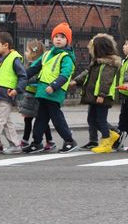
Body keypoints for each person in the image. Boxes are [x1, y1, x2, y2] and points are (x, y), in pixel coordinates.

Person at [23, 22, 79, 154]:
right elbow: (34, 68)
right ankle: (37, 142)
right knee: (41, 118)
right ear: (52, 38)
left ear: (68, 41)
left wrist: (54, 86)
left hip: (55, 92)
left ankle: (70, 141)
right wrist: (21, 77)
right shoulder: (47, 54)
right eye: (56, 36)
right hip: (43, 91)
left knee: (56, 118)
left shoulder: (66, 58)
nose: (58, 39)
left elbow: (65, 75)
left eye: (62, 37)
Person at [71, 34, 121, 153]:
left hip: (102, 97)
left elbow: (106, 80)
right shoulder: (96, 63)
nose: (89, 49)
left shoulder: (108, 64)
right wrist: (76, 81)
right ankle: (111, 135)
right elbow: (86, 74)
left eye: (92, 47)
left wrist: (101, 95)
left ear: (99, 49)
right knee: (92, 120)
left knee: (100, 120)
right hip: (94, 96)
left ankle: (106, 143)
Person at [19, 40, 56, 151]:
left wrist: (25, 81)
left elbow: (35, 78)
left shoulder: (38, 66)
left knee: (39, 120)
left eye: (27, 51)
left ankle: (48, 141)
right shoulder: (30, 65)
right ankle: (26, 140)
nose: (25, 53)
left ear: (33, 53)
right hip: (29, 95)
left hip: (36, 96)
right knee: (29, 119)